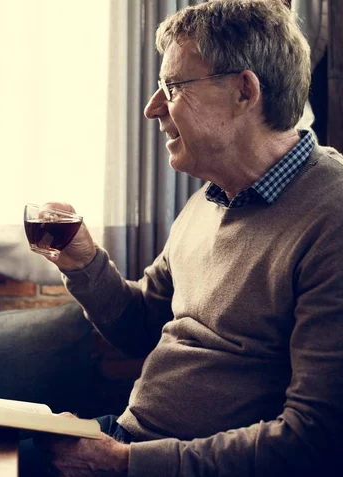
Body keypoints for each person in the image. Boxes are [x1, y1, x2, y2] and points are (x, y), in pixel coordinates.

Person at [20, 0, 343, 475]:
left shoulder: (331, 216)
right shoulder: (208, 199)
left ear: (244, 92)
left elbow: (314, 437)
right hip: (127, 440)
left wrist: (127, 464)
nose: (153, 109)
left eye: (171, 87)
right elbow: (139, 328)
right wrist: (83, 262)